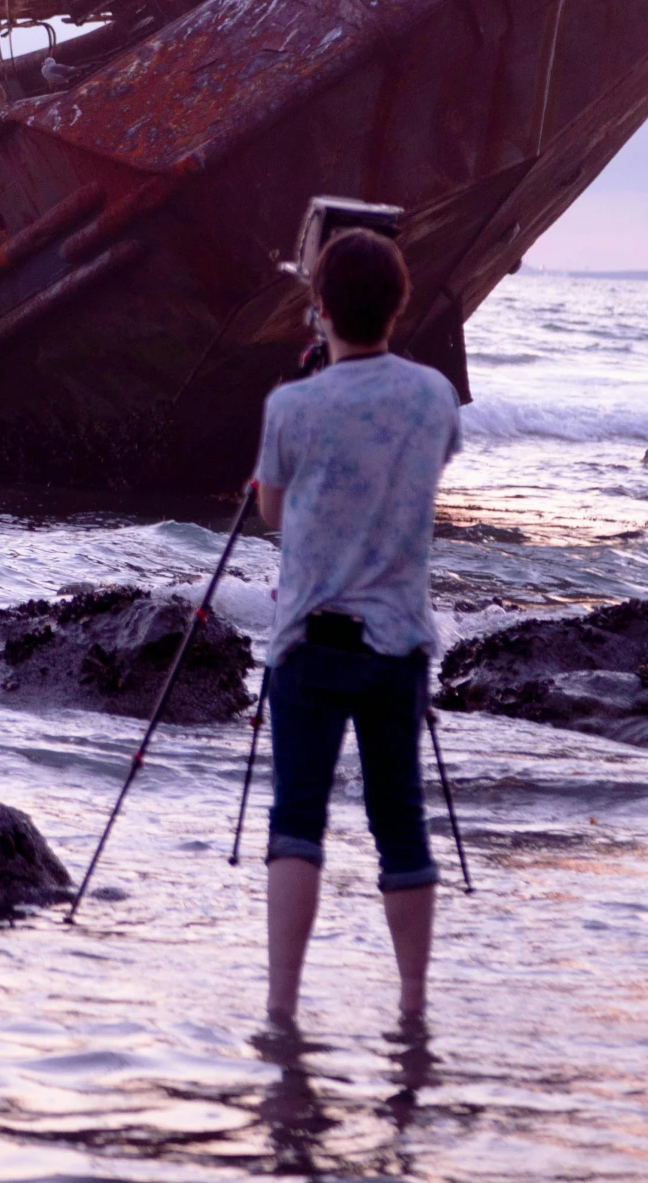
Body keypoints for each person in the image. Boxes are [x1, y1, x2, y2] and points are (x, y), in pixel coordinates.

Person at [255, 227, 462, 1024]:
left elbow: (271, 513)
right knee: (399, 823)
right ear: (398, 305)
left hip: (309, 642)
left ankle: (282, 1006)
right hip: (398, 645)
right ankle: (411, 1007)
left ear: (318, 309)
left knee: (296, 820)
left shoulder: (292, 405)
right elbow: (428, 464)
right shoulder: (433, 397)